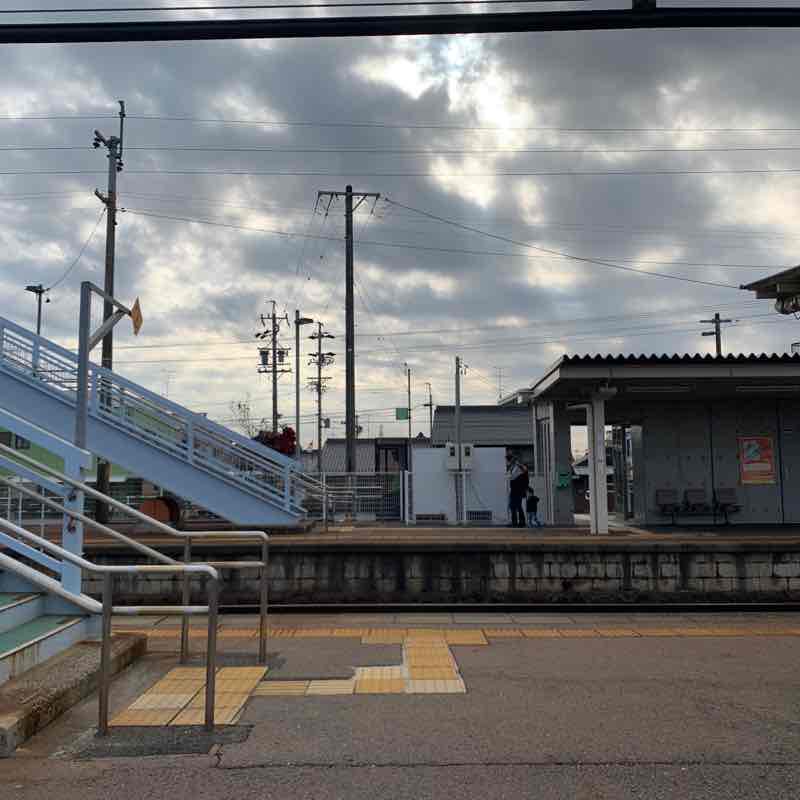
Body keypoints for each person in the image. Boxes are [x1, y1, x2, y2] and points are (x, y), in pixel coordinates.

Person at [507, 455, 527, 528]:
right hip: (514, 490)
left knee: (518, 506)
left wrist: (518, 464)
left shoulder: (518, 467)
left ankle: (521, 522)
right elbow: (510, 477)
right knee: (513, 506)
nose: (508, 462)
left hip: (518, 490)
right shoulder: (512, 468)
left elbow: (525, 470)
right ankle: (515, 522)